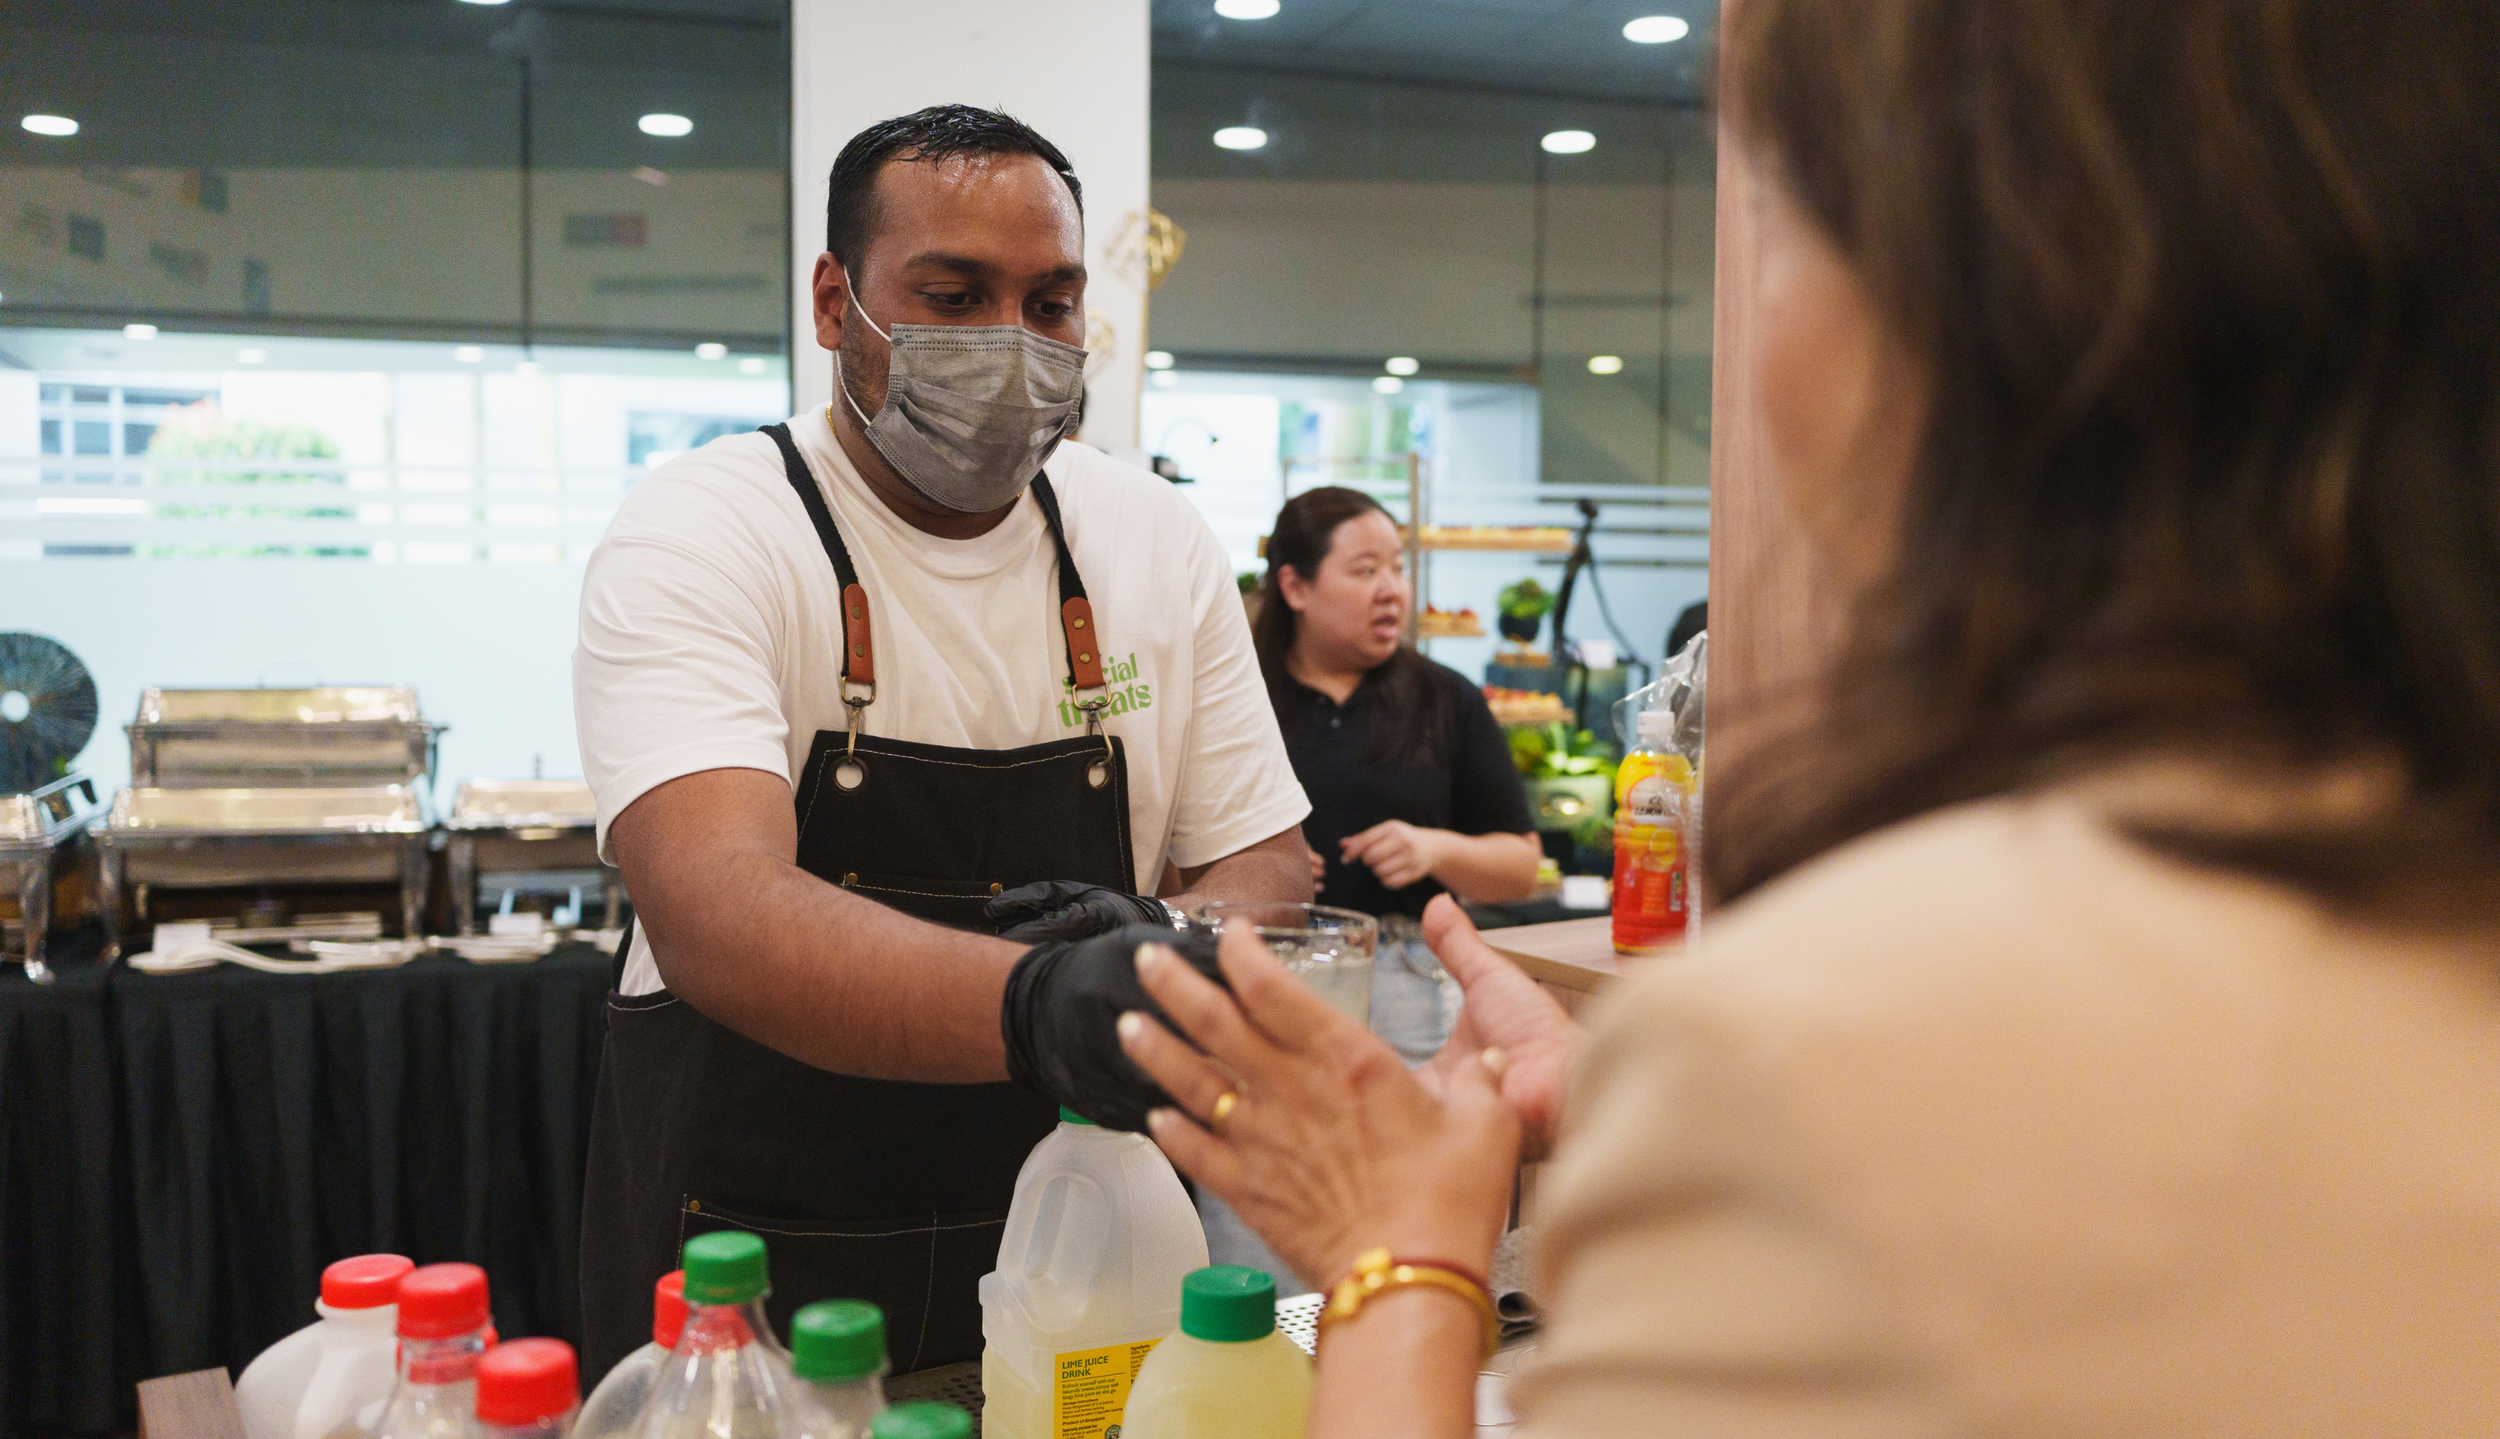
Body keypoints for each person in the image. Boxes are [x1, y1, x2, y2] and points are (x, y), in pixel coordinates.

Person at [1115, 0, 2500, 1434]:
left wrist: (1395, 1248)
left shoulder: (1835, 1040)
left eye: (1786, 223)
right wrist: (1622, 1105)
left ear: (1963, 318)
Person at [570, 105, 1311, 1379]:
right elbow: (714, 907)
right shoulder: (706, 527)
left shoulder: (1151, 535)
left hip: (1092, 1246)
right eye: (954, 296)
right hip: (762, 1279)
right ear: (832, 299)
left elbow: (1271, 866)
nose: (1010, 347)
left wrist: (1156, 932)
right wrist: (1042, 999)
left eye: (1052, 302)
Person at [1252, 485, 1540, 1062]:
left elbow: (1521, 868)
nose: (1391, 590)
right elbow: (1170, 863)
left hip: (1409, 981)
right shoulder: (1241, 697)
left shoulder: (1446, 698)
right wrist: (1259, 866)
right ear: (1295, 586)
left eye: (1398, 568)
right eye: (1365, 570)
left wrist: (1433, 850)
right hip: (1267, 976)